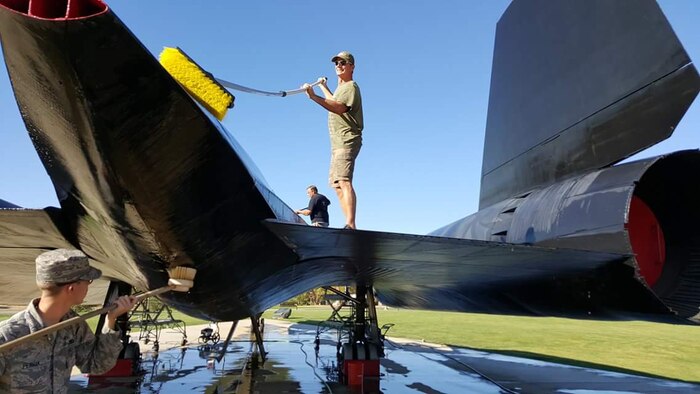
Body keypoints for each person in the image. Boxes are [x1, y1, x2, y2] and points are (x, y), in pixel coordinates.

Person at [0, 249, 137, 393]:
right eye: (87, 281)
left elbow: (96, 365)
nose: (88, 286)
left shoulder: (74, 327)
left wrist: (111, 320)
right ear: (71, 288)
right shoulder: (9, 336)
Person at [303, 51, 363, 229]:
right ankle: (348, 223)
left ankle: (351, 224)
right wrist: (323, 87)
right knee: (336, 184)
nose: (338, 65)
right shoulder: (340, 89)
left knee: (344, 180)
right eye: (336, 63)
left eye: (343, 62)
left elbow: (339, 107)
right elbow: (333, 99)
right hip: (337, 143)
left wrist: (314, 97)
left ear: (351, 66)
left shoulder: (351, 86)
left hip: (347, 139)